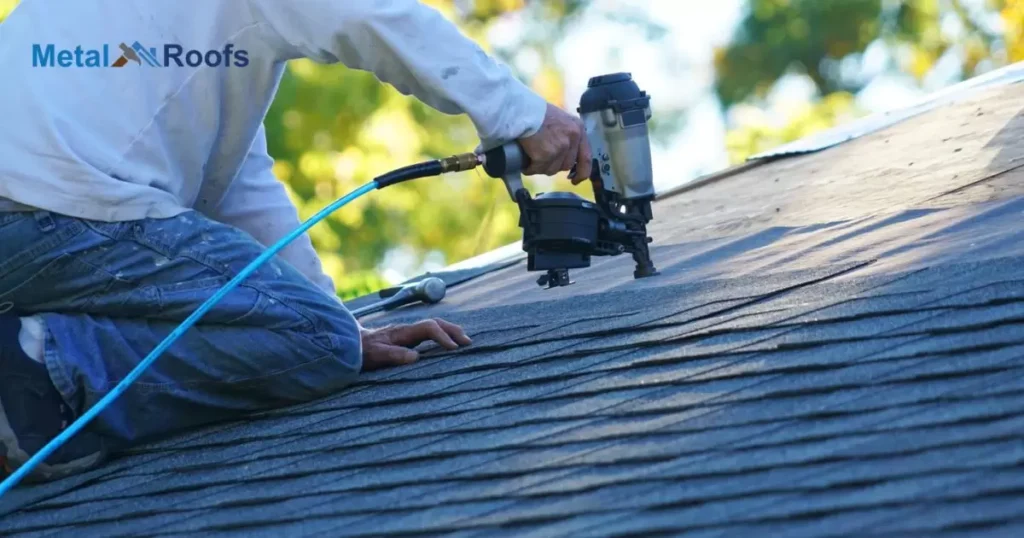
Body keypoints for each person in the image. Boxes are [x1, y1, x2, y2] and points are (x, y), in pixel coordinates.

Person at [0, 1, 593, 483]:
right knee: (321, 344)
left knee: (326, 334)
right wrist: (521, 114)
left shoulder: (201, 44)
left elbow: (239, 189)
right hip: (55, 207)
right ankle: (32, 375)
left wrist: (336, 319)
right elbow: (370, 16)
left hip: (42, 210)